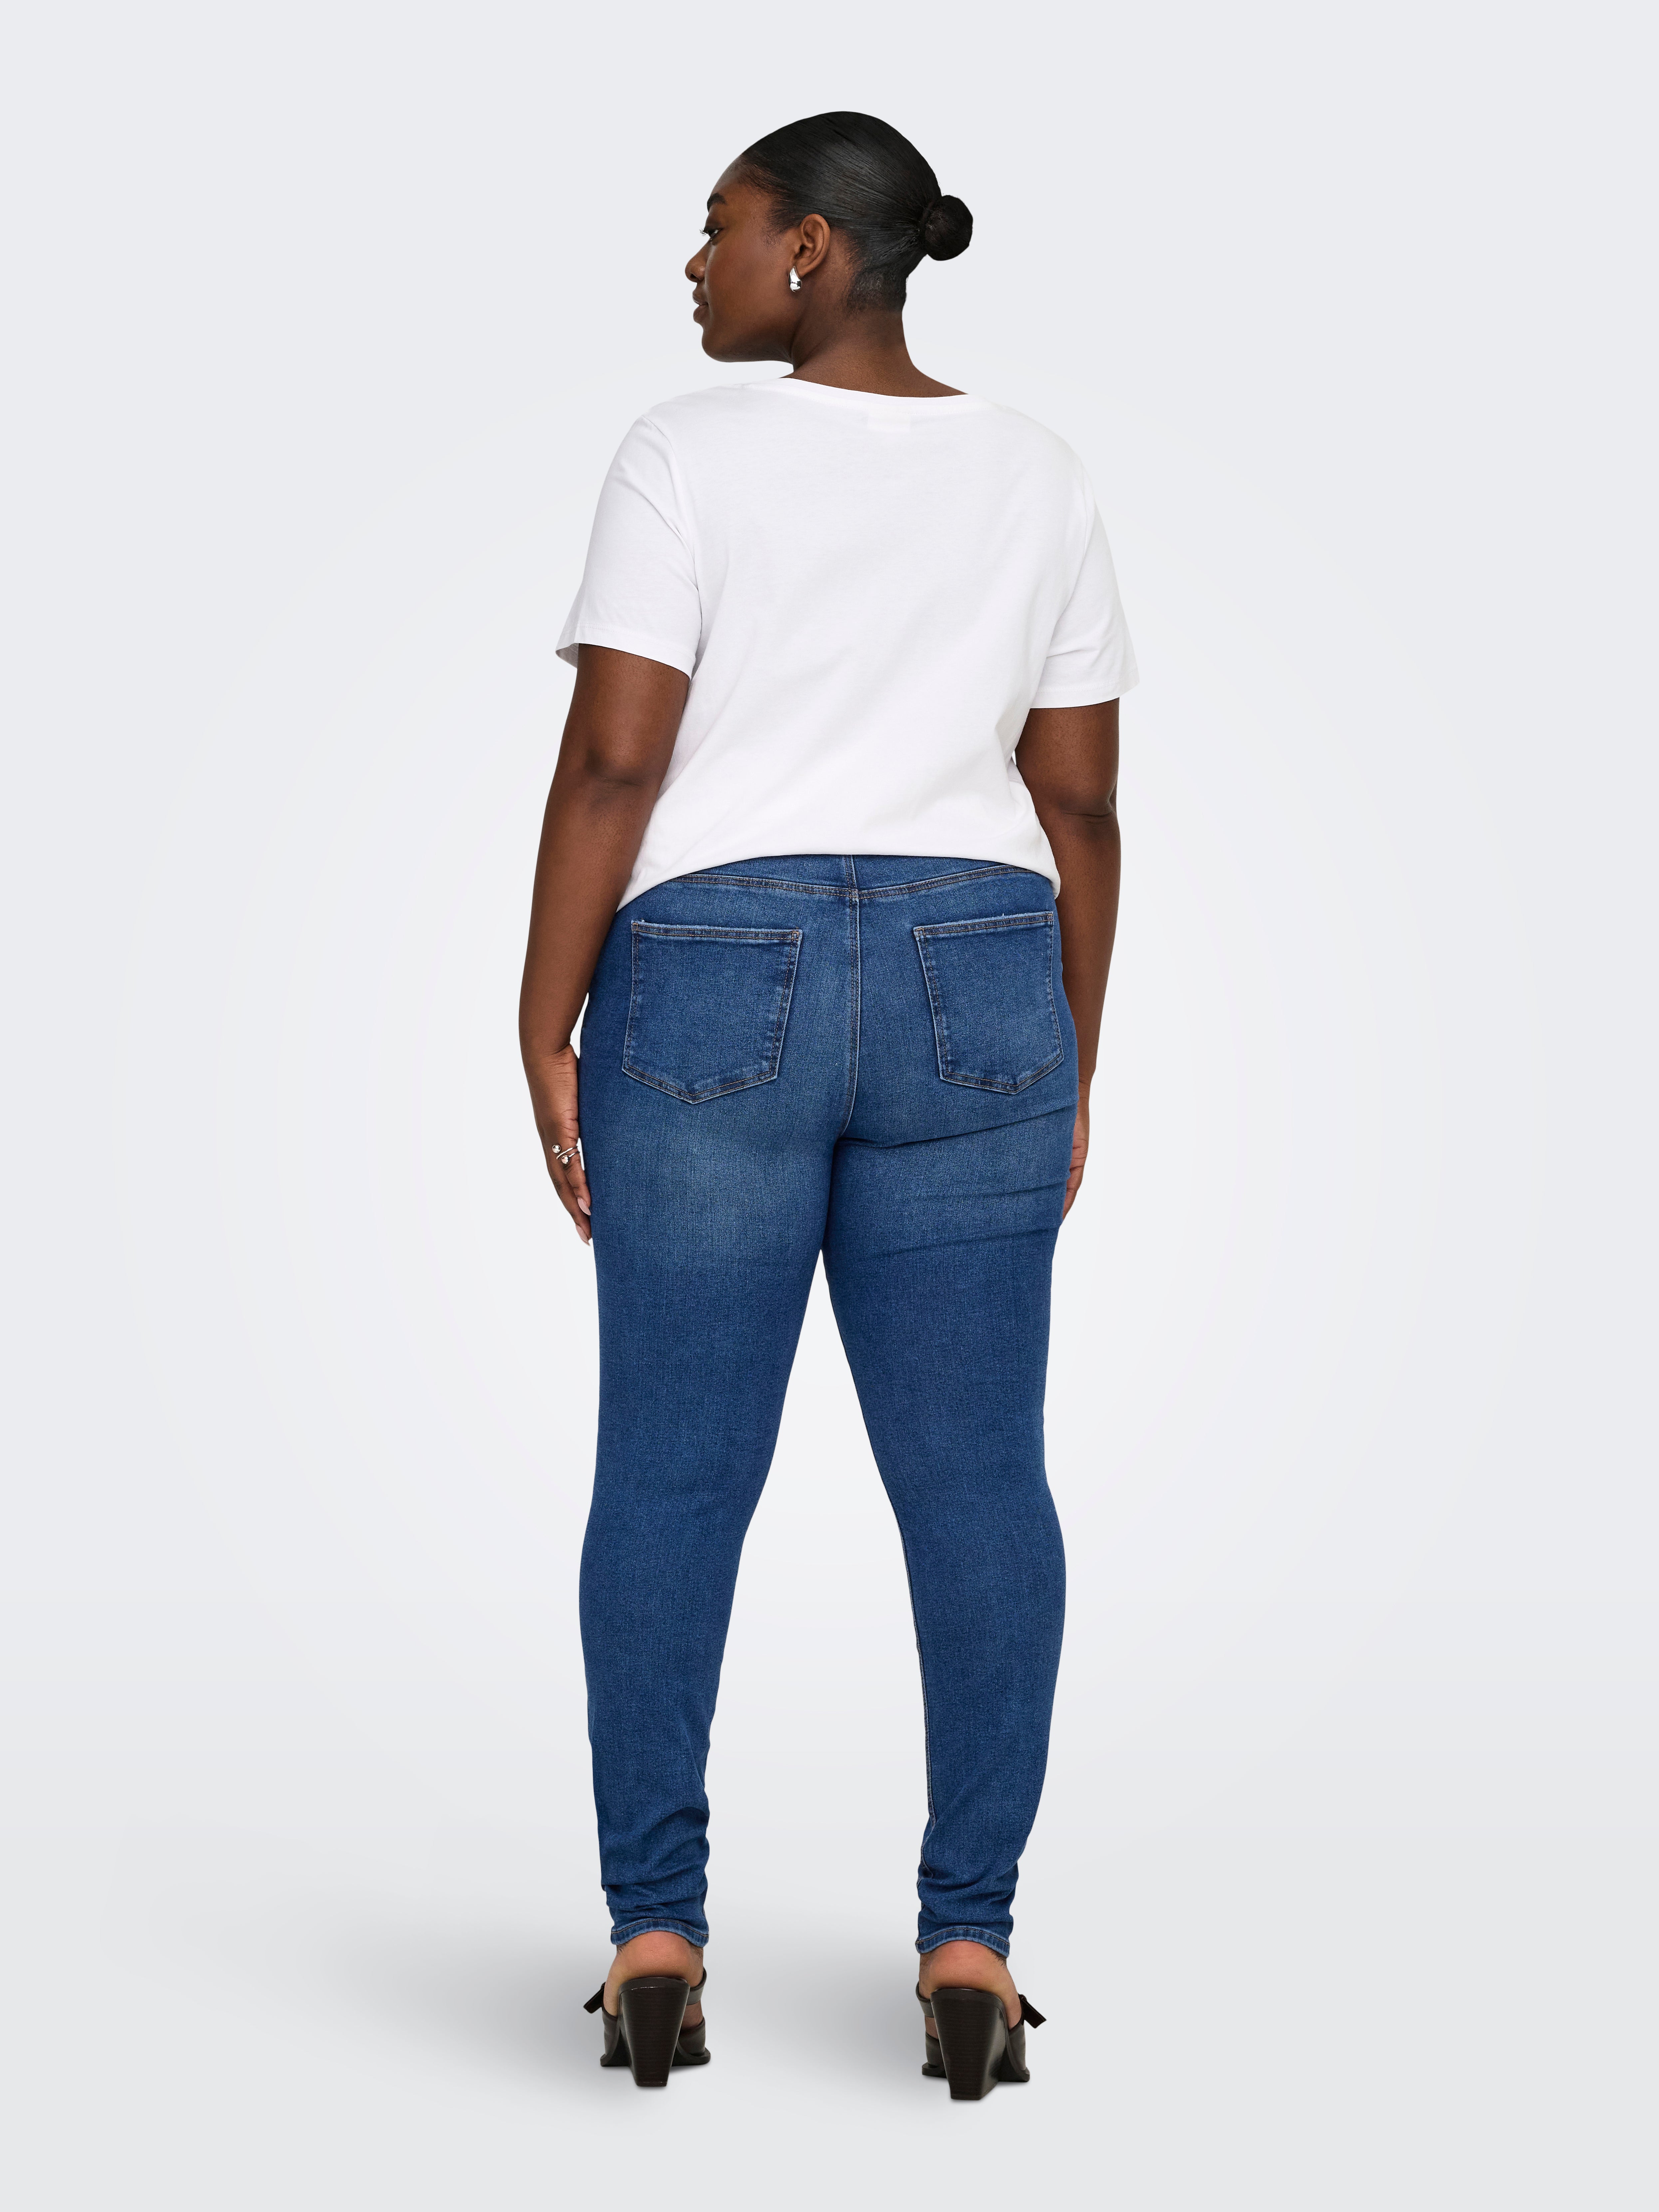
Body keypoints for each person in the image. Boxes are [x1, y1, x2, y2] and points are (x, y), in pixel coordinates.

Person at [520, 111, 1136, 2098]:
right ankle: (971, 1944)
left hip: (715, 969)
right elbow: (1076, 799)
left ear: (811, 248)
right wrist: (1070, 1048)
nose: (693, 264)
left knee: (669, 1479)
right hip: (983, 967)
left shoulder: (682, 455)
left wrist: (542, 1016)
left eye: (718, 227)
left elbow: (616, 764)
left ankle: (655, 1935)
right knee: (980, 1483)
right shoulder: (1038, 470)